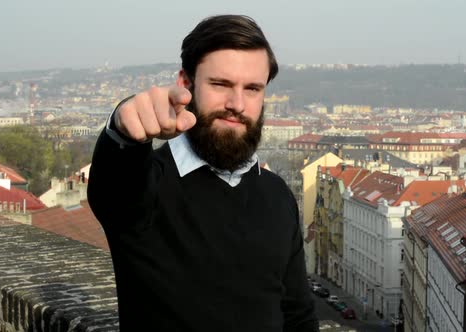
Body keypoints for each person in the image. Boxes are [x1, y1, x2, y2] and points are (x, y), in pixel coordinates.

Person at [88, 15, 318, 331]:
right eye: (220, 84)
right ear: (186, 83)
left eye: (252, 88)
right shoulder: (147, 185)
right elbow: (114, 183)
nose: (237, 103)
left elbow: (297, 315)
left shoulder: (277, 194)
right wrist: (121, 129)